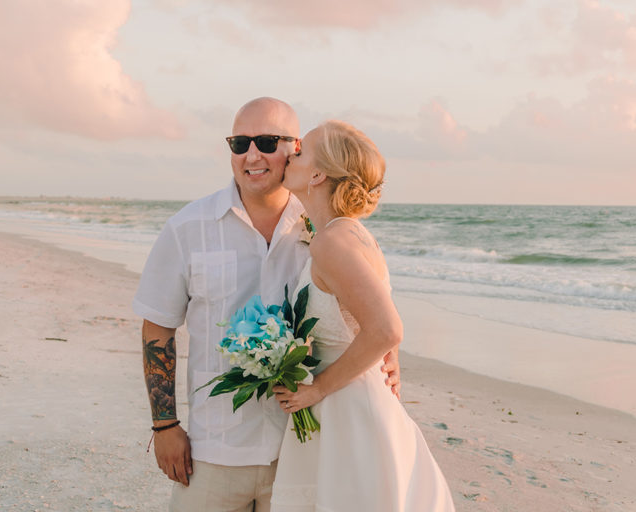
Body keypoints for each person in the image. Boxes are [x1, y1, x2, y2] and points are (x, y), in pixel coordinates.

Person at [132, 98, 401, 512]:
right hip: (215, 450)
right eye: (239, 143)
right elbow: (158, 327)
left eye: (266, 141)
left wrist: (389, 354)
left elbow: (368, 306)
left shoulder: (323, 228)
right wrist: (164, 424)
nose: (251, 155)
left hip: (303, 447)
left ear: (295, 150)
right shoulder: (187, 228)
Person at [270, 120, 455, 511]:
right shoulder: (346, 234)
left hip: (351, 415)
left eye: (301, 152)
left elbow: (387, 329)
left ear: (318, 174)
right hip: (350, 408)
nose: (291, 153)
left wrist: (318, 389)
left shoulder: (333, 241)